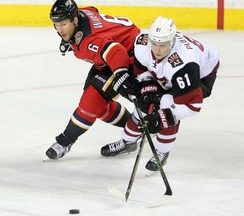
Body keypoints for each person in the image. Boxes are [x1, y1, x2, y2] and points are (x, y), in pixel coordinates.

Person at [101, 16, 219, 172]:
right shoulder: (142, 43)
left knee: (166, 104)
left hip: (201, 75)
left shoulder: (184, 66)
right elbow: (142, 69)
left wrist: (163, 117)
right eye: (154, 44)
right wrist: (147, 88)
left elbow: (193, 105)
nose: (157, 50)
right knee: (143, 105)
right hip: (170, 72)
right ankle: (127, 142)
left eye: (162, 46)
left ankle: (162, 153)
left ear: (172, 42)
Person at [45, 0, 142, 160]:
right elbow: (93, 10)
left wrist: (121, 74)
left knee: (90, 103)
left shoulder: (88, 41)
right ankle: (136, 129)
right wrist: (71, 40)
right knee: (97, 106)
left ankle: (65, 141)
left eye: (63, 24)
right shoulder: (81, 14)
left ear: (75, 20)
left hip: (128, 56)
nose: (59, 29)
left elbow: (116, 51)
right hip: (108, 57)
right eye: (56, 24)